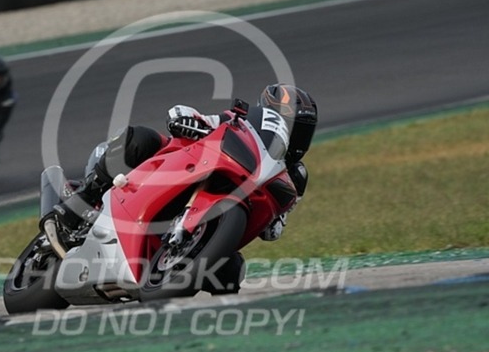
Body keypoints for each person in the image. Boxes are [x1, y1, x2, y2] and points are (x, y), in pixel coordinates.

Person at [45, 83, 317, 248]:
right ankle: (82, 200)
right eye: (291, 124)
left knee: (231, 274)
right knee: (141, 139)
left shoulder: (295, 176)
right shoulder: (239, 122)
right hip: (190, 166)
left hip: (221, 213)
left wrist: (272, 222)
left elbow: (275, 228)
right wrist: (184, 118)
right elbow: (198, 117)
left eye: (302, 129)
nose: (294, 134)